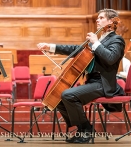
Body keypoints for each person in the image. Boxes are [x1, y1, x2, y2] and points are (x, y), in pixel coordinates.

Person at [37, 8, 125, 143]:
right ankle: (83, 129)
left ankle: (86, 130)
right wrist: (51, 46)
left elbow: (111, 58)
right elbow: (75, 50)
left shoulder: (117, 40)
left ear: (111, 21)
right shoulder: (98, 39)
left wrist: (96, 43)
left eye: (101, 18)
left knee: (68, 95)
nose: (97, 20)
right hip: (92, 82)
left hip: (103, 83)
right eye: (98, 17)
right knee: (59, 97)